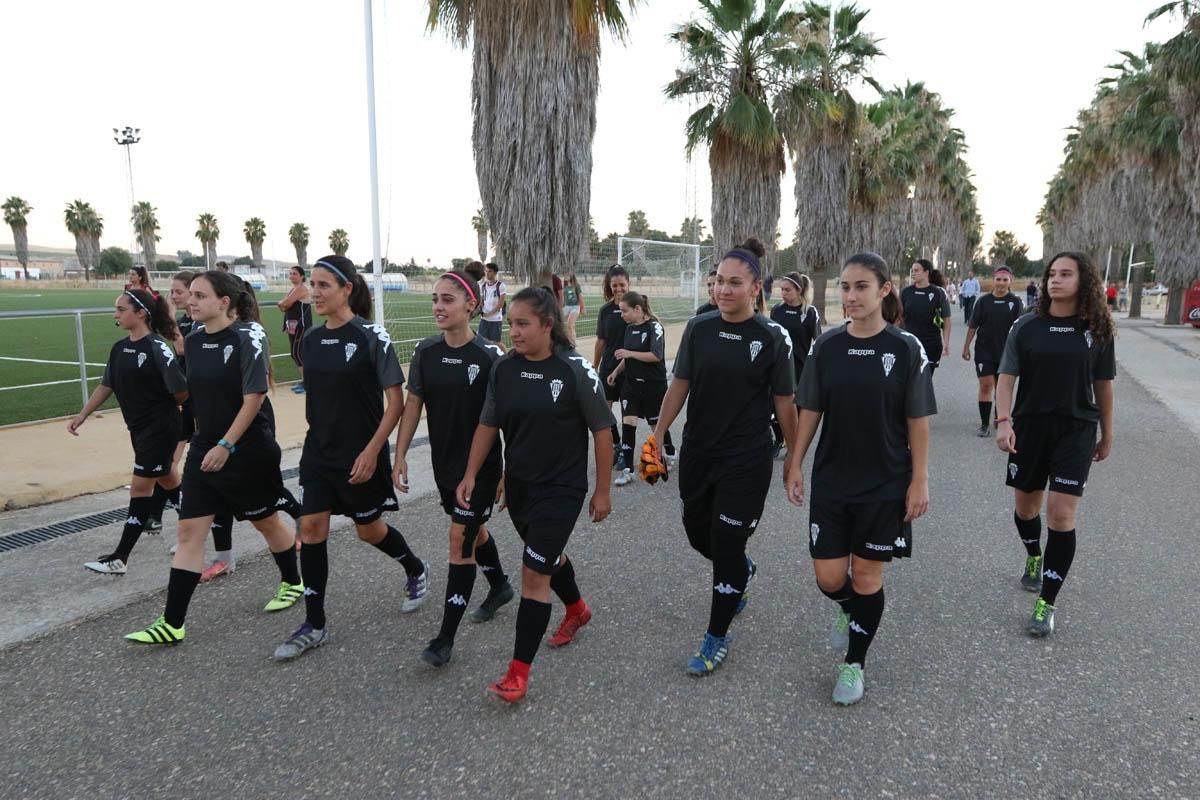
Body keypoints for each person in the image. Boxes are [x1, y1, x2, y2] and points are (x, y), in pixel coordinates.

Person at [786, 252, 936, 706]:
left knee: (868, 576)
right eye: (845, 288)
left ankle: (854, 663)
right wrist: (795, 462)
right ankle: (849, 611)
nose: (850, 296)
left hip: (887, 481)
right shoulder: (827, 347)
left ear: (884, 290)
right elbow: (810, 409)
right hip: (833, 478)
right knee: (830, 578)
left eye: (860, 287)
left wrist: (920, 479)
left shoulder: (905, 348)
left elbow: (918, 420)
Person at [125, 270, 302, 646]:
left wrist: (227, 445)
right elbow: (191, 395)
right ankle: (172, 623)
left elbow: (253, 398)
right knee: (189, 532)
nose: (191, 301)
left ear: (224, 303)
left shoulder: (248, 336)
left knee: (265, 522)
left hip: (246, 448)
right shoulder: (193, 338)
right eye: (190, 295)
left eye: (200, 295)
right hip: (206, 448)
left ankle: (294, 581)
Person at [457, 287, 614, 702]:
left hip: (562, 488)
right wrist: (473, 473)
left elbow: (602, 430)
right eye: (511, 324)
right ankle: (578, 609)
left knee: (533, 572)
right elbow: (489, 424)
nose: (515, 332)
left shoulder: (575, 370)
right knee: (546, 558)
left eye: (523, 324)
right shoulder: (504, 368)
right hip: (521, 486)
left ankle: (517, 674)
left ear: (549, 325)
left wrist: (602, 491)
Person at [650, 237, 797, 676]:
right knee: (700, 536)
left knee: (728, 541)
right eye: (718, 282)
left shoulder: (772, 337)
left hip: (746, 458)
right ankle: (742, 570)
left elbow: (785, 402)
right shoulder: (699, 328)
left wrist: (793, 458)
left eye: (735, 283)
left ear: (755, 288)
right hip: (699, 452)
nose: (723, 290)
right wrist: (658, 433)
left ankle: (715, 635)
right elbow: (681, 384)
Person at [272, 256, 427, 661]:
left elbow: (396, 403)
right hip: (319, 453)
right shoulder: (310, 340)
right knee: (311, 528)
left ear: (346, 289)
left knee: (368, 530)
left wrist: (374, 451)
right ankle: (315, 624)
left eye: (324, 285)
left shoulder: (371, 336)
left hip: (362, 453)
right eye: (313, 285)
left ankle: (414, 567)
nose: (315, 293)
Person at [394, 270, 515, 668]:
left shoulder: (491, 357)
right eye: (435, 299)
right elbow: (413, 406)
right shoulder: (426, 353)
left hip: (479, 469)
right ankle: (498, 586)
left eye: (448, 299)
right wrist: (400, 455)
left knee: (458, 539)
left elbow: (509, 420)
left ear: (471, 306)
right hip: (444, 465)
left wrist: (506, 472)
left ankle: (444, 639)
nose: (438, 307)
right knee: (472, 530)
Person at [995, 251, 1115, 637]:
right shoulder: (1026, 326)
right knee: (1026, 508)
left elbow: (1103, 385)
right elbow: (1006, 376)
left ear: (1084, 282)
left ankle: (1047, 600)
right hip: (1030, 428)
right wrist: (1003, 421)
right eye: (1052, 274)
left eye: (1066, 274)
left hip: (1077, 430)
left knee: (1061, 515)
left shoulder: (1096, 328)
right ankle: (1034, 555)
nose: (1056, 280)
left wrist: (1107, 433)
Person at [68, 288, 186, 575]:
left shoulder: (157, 348)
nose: (116, 314)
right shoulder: (120, 348)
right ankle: (196, 521)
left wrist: (158, 412)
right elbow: (107, 384)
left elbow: (181, 391)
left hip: (159, 429)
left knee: (140, 488)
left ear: (141, 313)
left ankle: (120, 557)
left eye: (121, 310)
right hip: (139, 430)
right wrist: (84, 414)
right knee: (168, 477)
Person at [607, 291, 675, 486]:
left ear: (638, 309)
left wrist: (629, 353)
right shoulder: (629, 329)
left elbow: (656, 355)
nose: (622, 315)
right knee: (628, 423)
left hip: (653, 385)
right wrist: (616, 372)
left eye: (625, 311)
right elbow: (628, 358)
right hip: (631, 385)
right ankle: (628, 470)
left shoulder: (654, 327)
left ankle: (670, 451)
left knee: (657, 425)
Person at [962, 266, 1024, 436]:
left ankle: (1000, 417)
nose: (1001, 283)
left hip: (1007, 353)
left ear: (1010, 281)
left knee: (1001, 387)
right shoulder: (983, 301)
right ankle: (984, 424)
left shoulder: (1015, 302)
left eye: (1005, 279)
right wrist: (966, 346)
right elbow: (973, 325)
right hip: (984, 351)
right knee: (986, 384)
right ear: (993, 280)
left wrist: (1023, 351)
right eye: (998, 279)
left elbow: (1020, 329)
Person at [769, 272, 822, 452]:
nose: (783, 293)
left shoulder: (809, 312)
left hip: (800, 367)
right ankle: (779, 440)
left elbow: (818, 342)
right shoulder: (777, 310)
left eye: (787, 290)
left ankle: (796, 446)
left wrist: (816, 369)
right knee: (773, 406)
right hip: (777, 367)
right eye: (782, 289)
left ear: (799, 290)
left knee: (796, 410)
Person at [593, 265, 630, 470]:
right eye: (614, 285)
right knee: (604, 410)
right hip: (608, 367)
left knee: (627, 412)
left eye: (622, 285)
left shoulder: (636, 306)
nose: (618, 289)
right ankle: (616, 444)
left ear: (628, 284)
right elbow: (600, 341)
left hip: (629, 368)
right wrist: (595, 365)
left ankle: (626, 449)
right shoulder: (605, 311)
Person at [900, 259, 952, 374]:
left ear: (926, 272)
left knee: (925, 380)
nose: (913, 273)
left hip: (931, 344)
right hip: (909, 343)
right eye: (912, 270)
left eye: (916, 270)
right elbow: (899, 318)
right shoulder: (906, 292)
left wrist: (946, 343)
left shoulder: (939, 293)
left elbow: (946, 319)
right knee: (907, 380)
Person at [277, 265, 312, 394]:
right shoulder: (293, 289)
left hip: (300, 326)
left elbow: (285, 303)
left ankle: (307, 383)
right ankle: (305, 381)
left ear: (302, 276)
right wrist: (284, 304)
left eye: (294, 274)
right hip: (292, 325)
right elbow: (284, 306)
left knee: (298, 353)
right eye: (290, 274)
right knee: (296, 353)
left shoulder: (301, 289)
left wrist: (283, 303)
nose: (291, 276)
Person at [479, 263, 506, 341]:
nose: (487, 273)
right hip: (484, 320)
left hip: (495, 320)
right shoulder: (483, 286)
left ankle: (503, 353)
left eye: (489, 271)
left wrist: (489, 314)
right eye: (486, 271)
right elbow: (481, 302)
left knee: (495, 343)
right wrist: (479, 310)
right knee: (482, 342)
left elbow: (500, 304)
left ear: (495, 273)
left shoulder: (501, 286)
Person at [562, 272, 585, 346]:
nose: (566, 275)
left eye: (567, 274)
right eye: (565, 274)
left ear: (572, 276)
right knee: (561, 324)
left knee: (570, 325)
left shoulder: (576, 286)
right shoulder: (564, 286)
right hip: (566, 307)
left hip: (575, 307)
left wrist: (582, 308)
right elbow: (563, 298)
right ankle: (567, 341)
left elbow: (580, 297)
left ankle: (573, 343)